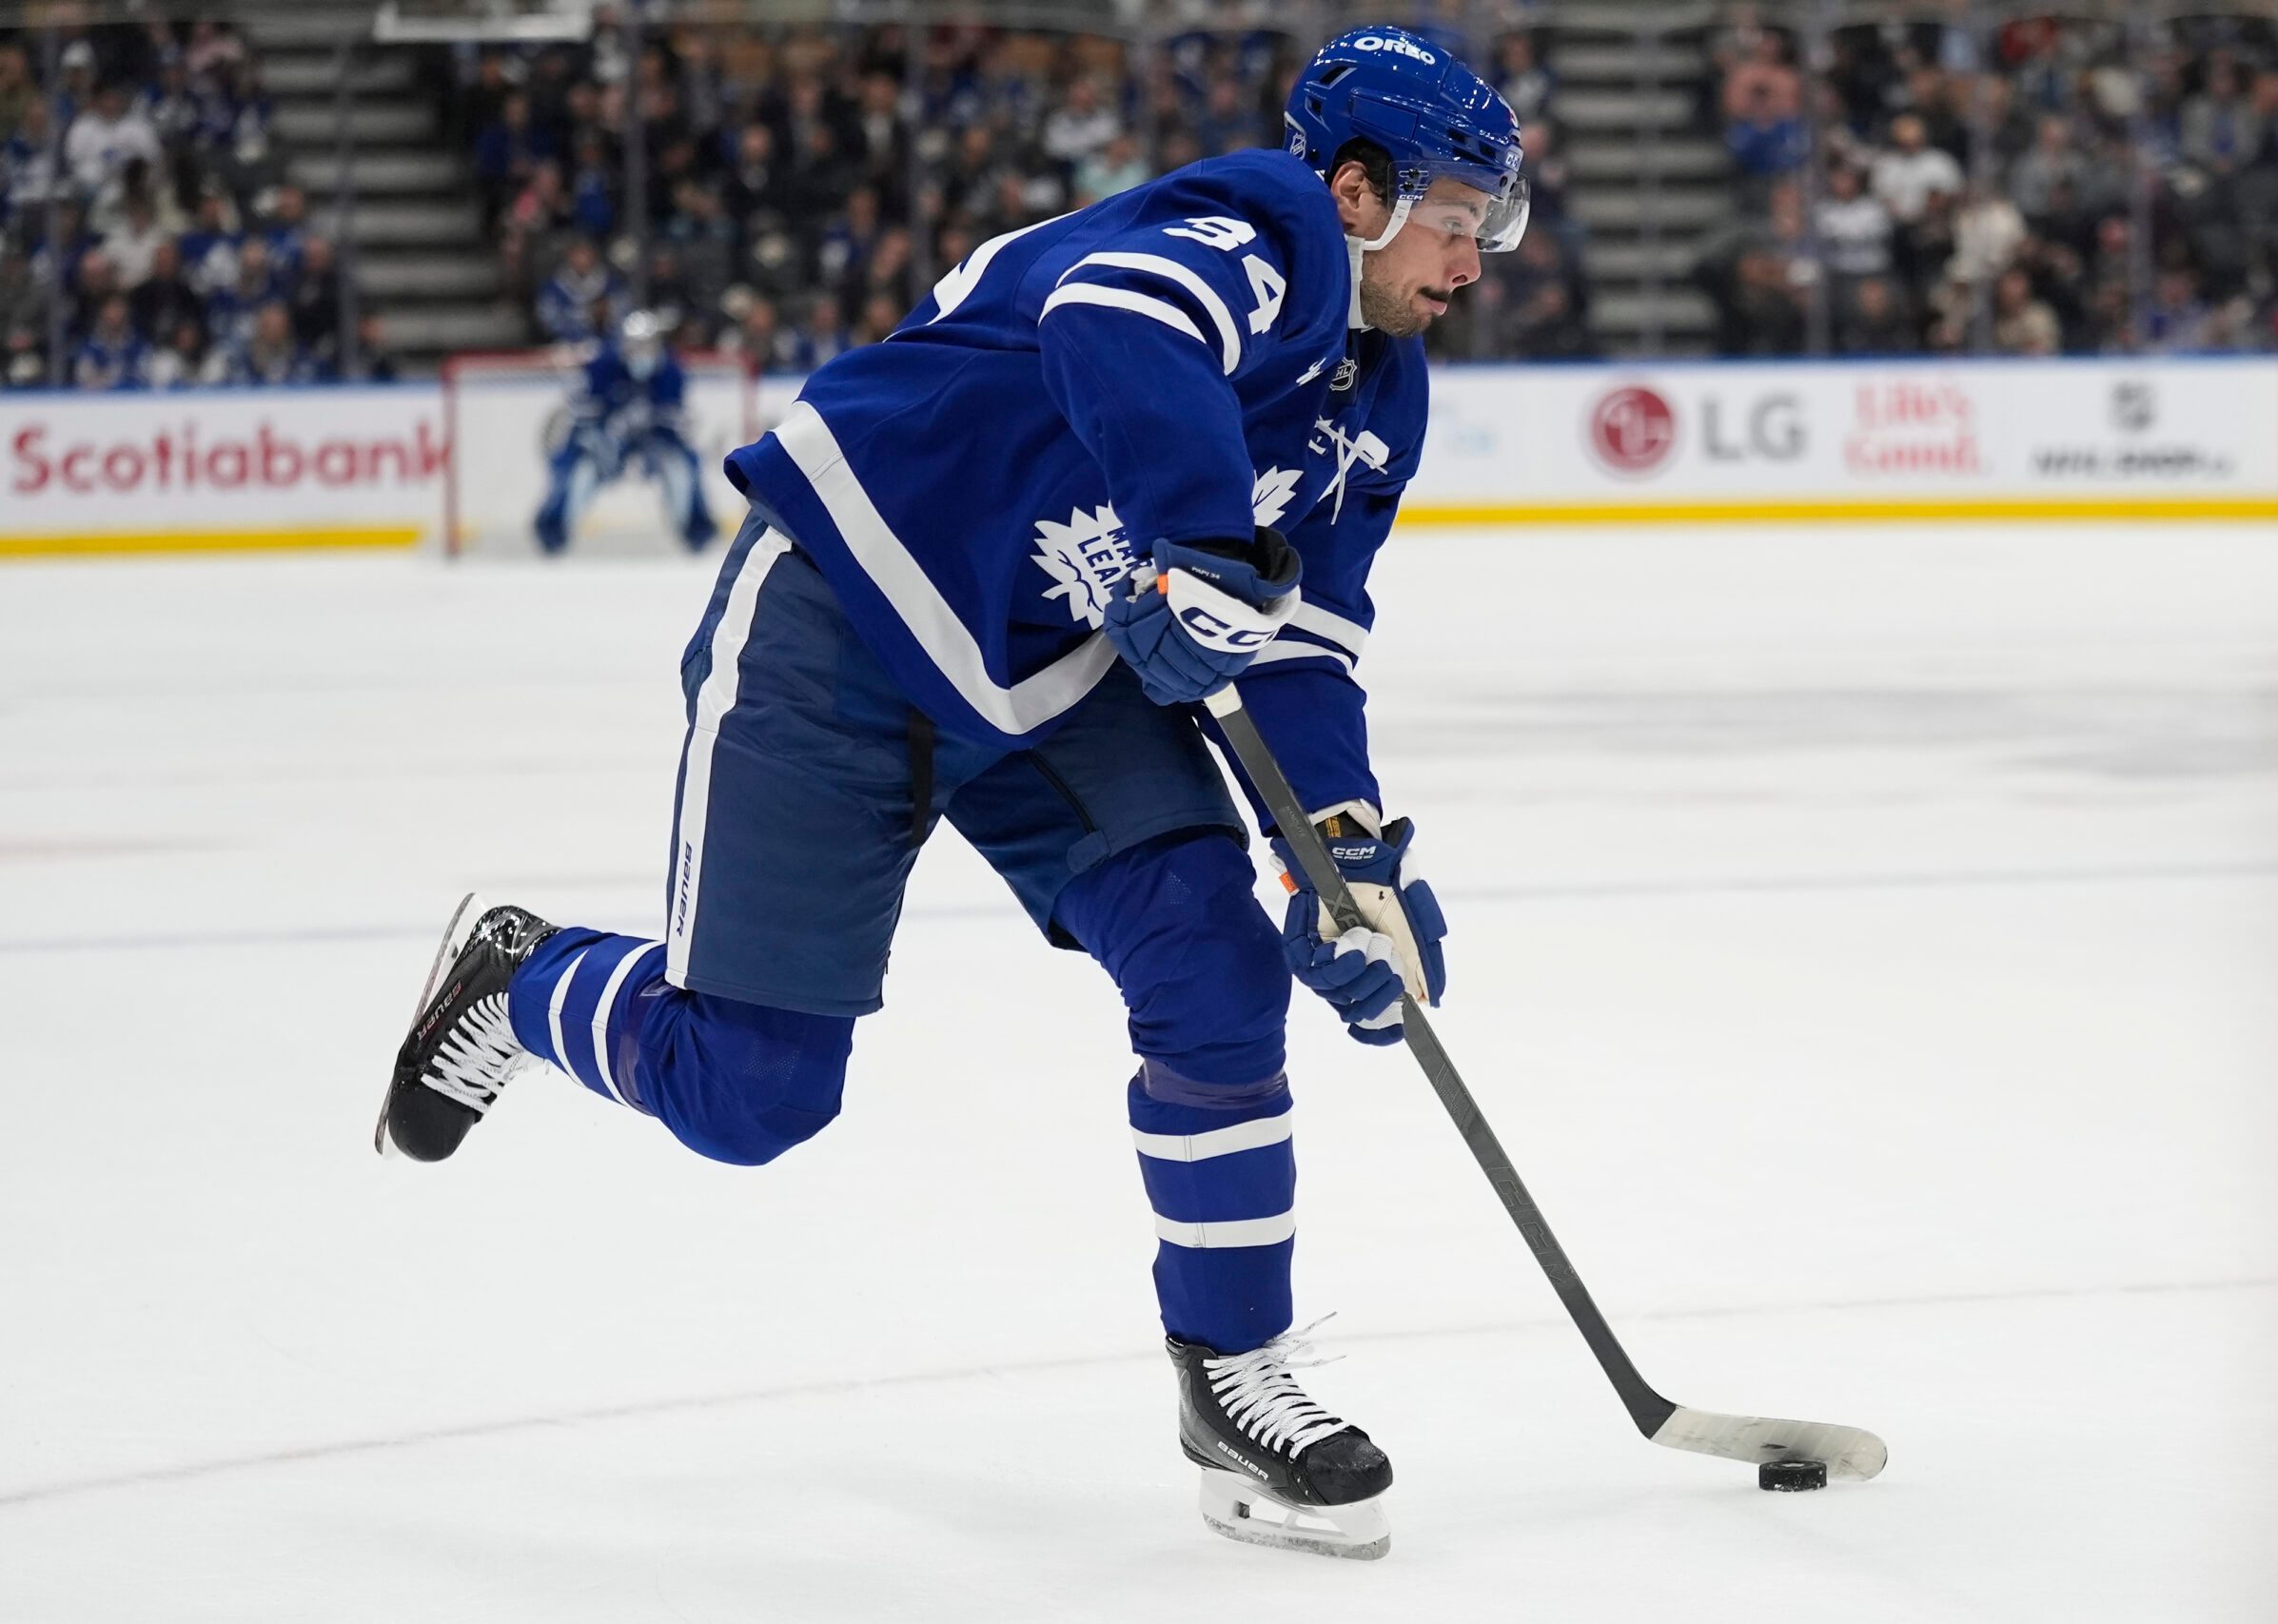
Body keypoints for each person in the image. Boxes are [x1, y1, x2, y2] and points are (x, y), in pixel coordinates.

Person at [376, 25, 1525, 1560]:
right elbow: (1116, 323)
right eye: (1455, 219)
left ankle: (1232, 1374)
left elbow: (1303, 644)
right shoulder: (1262, 236)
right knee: (751, 1092)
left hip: (1050, 669)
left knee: (1219, 963)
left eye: (1487, 230)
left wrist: (1343, 853)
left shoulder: (1380, 397)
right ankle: (524, 982)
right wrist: (1198, 547)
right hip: (847, 615)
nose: (1470, 262)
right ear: (1361, 188)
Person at [531, 309, 720, 553]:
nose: (640, 352)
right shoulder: (602, 365)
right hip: (606, 440)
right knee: (575, 470)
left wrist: (657, 427)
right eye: (634, 345)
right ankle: (553, 531)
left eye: (646, 345)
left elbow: (677, 420)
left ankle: (696, 532)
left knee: (684, 469)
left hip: (654, 440)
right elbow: (582, 412)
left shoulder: (670, 370)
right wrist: (600, 437)